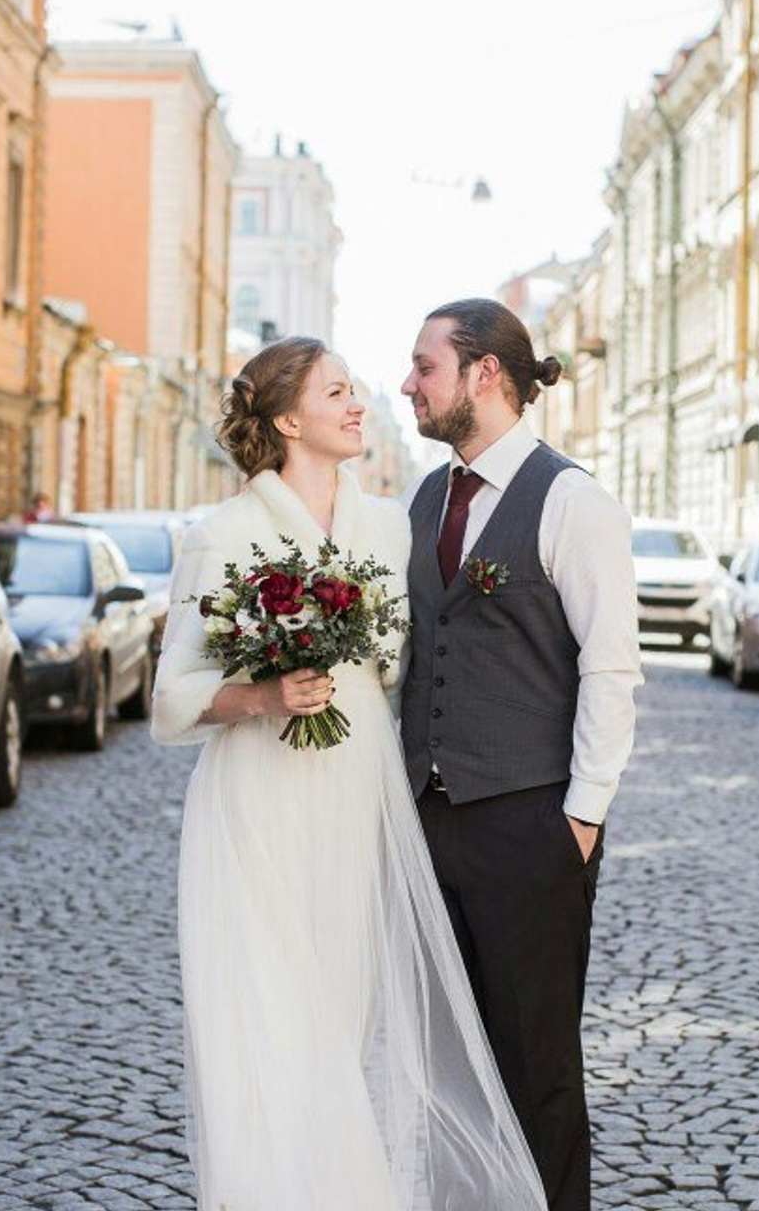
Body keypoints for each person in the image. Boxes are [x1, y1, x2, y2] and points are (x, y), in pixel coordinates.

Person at [151, 336, 547, 1211]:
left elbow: (404, 669)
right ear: (290, 418)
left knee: (340, 1024)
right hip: (259, 808)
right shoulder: (223, 535)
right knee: (266, 1032)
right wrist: (259, 695)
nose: (361, 402)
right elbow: (170, 700)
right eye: (338, 391)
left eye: (357, 389)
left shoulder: (385, 525)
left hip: (358, 802)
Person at [399, 299, 643, 1211]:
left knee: (537, 1067)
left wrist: (579, 821)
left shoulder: (572, 501)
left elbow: (612, 670)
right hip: (431, 823)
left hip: (529, 825)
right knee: (450, 1069)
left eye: (425, 367)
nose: (408, 385)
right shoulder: (428, 497)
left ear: (485, 374)